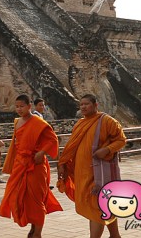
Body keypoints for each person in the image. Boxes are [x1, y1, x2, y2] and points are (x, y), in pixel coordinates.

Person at [56, 94, 127, 238]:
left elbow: (121, 140)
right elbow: (71, 147)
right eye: (81, 104)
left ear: (96, 105)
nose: (83, 107)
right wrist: (63, 163)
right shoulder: (80, 124)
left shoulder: (107, 121)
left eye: (86, 104)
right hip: (82, 173)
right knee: (102, 205)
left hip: (99, 174)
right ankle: (115, 235)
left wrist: (106, 150)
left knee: (96, 206)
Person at [0, 94, 62, 238]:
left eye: (22, 106)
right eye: (17, 106)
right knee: (18, 196)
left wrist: (41, 153)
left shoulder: (38, 122)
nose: (19, 109)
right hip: (20, 164)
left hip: (36, 165)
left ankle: (37, 232)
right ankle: (32, 228)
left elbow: (53, 141)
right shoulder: (17, 122)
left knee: (36, 200)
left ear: (29, 106)